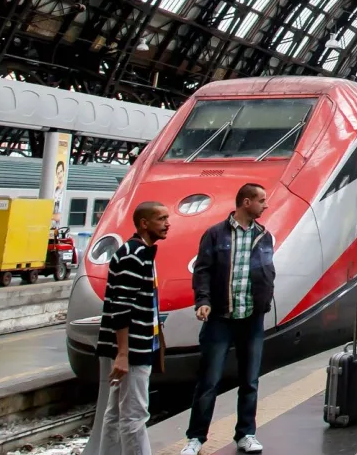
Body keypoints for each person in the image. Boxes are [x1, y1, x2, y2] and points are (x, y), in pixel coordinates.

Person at [182, 185, 275, 455]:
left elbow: (267, 270)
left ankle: (246, 434)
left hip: (252, 318)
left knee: (250, 380)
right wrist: (203, 301)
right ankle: (196, 438)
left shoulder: (264, 236)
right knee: (208, 380)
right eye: (261, 201)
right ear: (246, 203)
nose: (265, 206)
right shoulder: (215, 234)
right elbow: (203, 270)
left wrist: (264, 300)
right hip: (220, 318)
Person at [83, 201, 169, 455]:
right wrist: (123, 353)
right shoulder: (135, 255)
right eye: (161, 219)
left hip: (134, 345)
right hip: (134, 348)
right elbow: (122, 307)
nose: (167, 224)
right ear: (144, 224)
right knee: (135, 415)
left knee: (116, 412)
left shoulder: (136, 252)